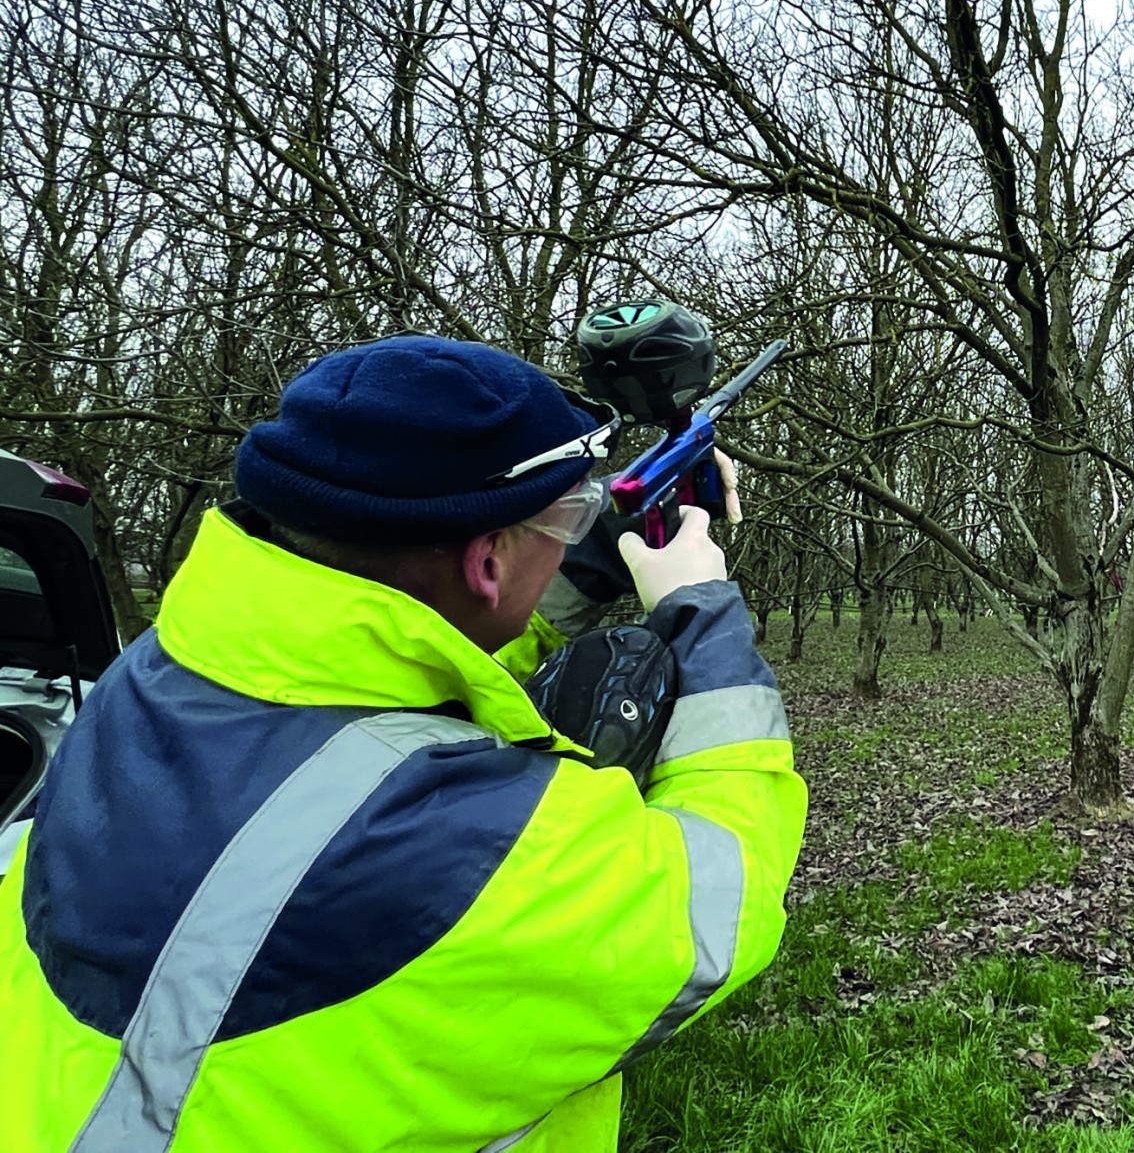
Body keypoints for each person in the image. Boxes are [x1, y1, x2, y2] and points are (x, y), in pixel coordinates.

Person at [0, 335, 808, 1152]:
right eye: (568, 519)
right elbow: (728, 891)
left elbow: (421, 642)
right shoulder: (474, 839)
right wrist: (701, 612)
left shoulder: (158, 674)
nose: (575, 530)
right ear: (487, 559)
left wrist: (589, 551)